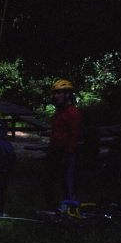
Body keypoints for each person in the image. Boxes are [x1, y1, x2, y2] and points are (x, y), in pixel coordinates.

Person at [42, 79, 82, 208]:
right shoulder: (59, 111)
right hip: (54, 149)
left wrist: (69, 152)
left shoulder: (73, 112)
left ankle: (70, 206)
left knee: (67, 180)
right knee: (48, 179)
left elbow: (74, 134)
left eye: (59, 93)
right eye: (55, 93)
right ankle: (51, 206)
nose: (56, 96)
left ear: (68, 94)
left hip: (66, 151)